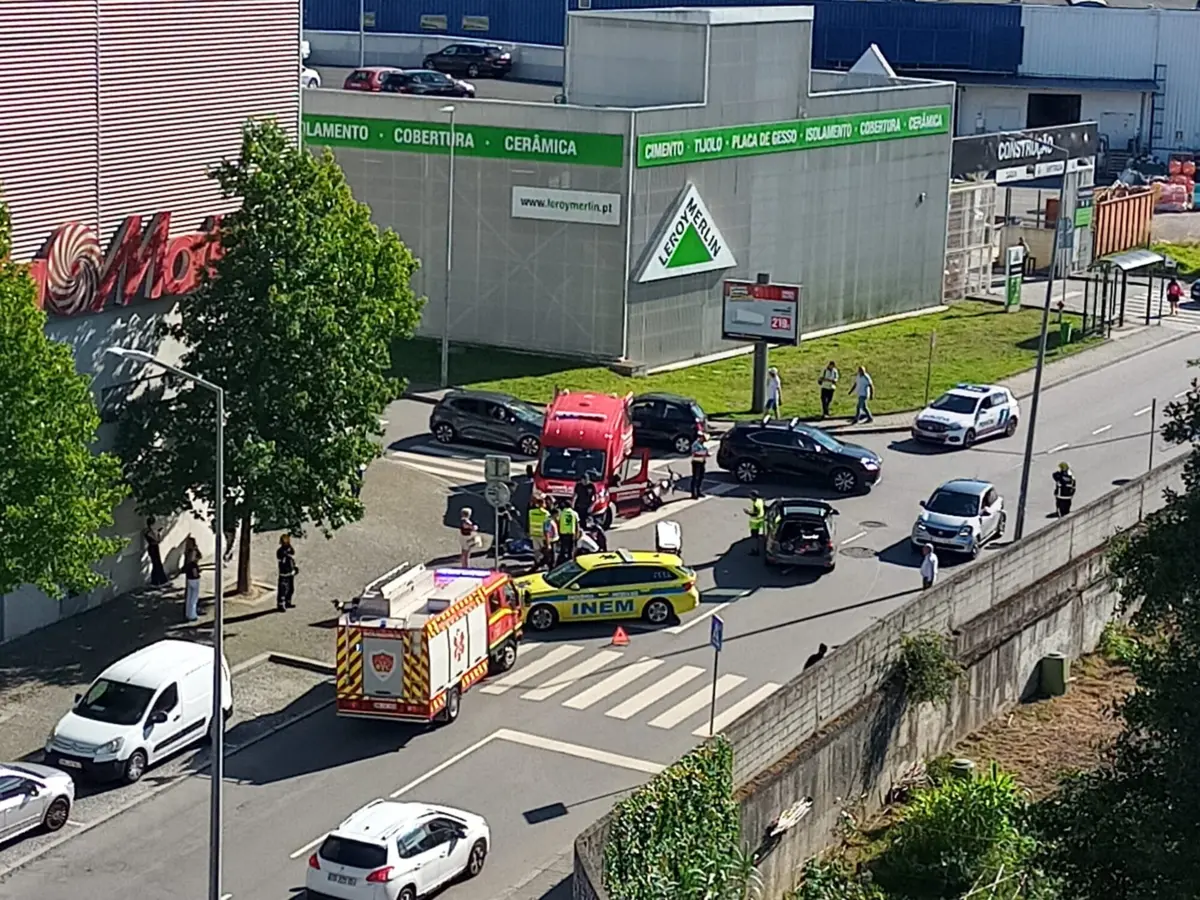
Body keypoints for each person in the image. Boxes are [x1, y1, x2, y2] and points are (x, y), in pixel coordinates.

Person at [143, 517, 168, 586]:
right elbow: (156, 539)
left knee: (157, 563)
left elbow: (158, 540)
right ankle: (157, 581)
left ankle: (159, 580)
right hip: (153, 547)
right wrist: (157, 533)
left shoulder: (149, 531)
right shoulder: (149, 531)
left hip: (154, 547)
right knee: (156, 563)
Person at [183, 536, 201, 622]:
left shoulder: (187, 552)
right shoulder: (193, 552)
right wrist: (197, 574)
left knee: (189, 596)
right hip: (194, 578)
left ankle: (188, 613)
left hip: (189, 576)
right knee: (194, 598)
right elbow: (197, 559)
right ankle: (192, 615)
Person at [276, 534, 297, 611]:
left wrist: (294, 568)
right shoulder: (280, 551)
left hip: (290, 572)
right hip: (284, 573)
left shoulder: (289, 549)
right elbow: (281, 560)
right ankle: (281, 605)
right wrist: (286, 555)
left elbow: (293, 554)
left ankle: (288, 602)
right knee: (282, 590)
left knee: (291, 589)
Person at [528, 497, 549, 566]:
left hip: (534, 533)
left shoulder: (531, 512)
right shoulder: (546, 514)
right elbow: (547, 527)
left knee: (536, 550)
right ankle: (542, 564)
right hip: (542, 535)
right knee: (544, 550)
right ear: (543, 504)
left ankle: (536, 562)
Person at [689, 432, 709, 499]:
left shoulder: (701, 444)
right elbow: (695, 453)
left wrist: (706, 453)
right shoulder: (695, 444)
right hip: (696, 462)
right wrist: (705, 453)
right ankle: (694, 493)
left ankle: (699, 491)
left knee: (701, 477)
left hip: (701, 462)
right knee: (696, 478)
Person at [745, 490, 765, 556]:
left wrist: (748, 512)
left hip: (755, 522)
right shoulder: (760, 501)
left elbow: (755, 513)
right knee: (758, 535)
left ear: (753, 496)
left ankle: (755, 550)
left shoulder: (756, 504)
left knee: (754, 537)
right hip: (761, 519)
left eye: (750, 496)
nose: (750, 497)